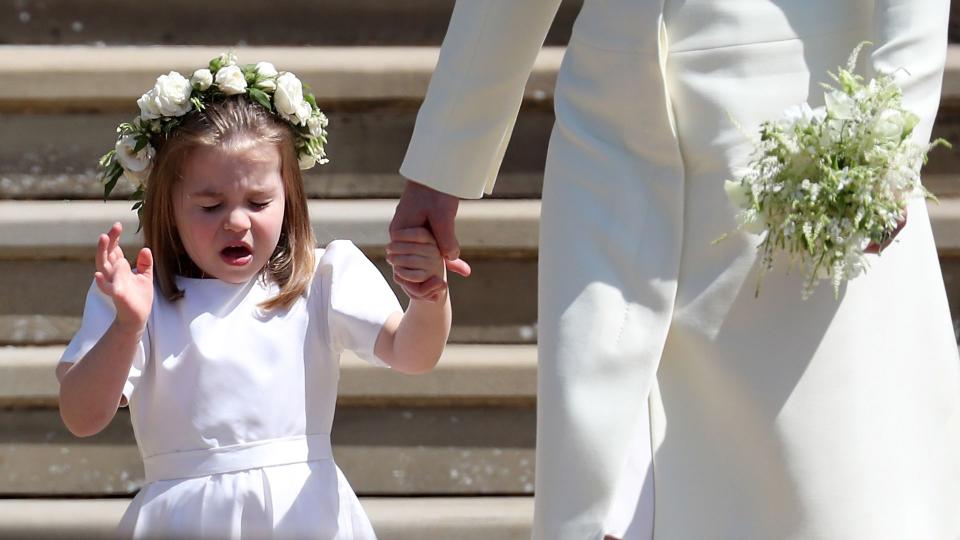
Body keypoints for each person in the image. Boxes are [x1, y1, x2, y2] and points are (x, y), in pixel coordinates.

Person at [390, 0, 960, 538]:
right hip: (610, 126)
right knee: (601, 464)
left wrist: (887, 135)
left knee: (816, 472)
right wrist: (441, 166)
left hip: (802, 129)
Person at [56, 56, 451, 539]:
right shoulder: (140, 299)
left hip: (303, 519)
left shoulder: (321, 277)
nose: (237, 221)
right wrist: (126, 327)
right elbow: (81, 417)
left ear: (289, 197)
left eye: (259, 202)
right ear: (168, 204)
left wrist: (429, 297)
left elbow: (412, 353)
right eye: (210, 205)